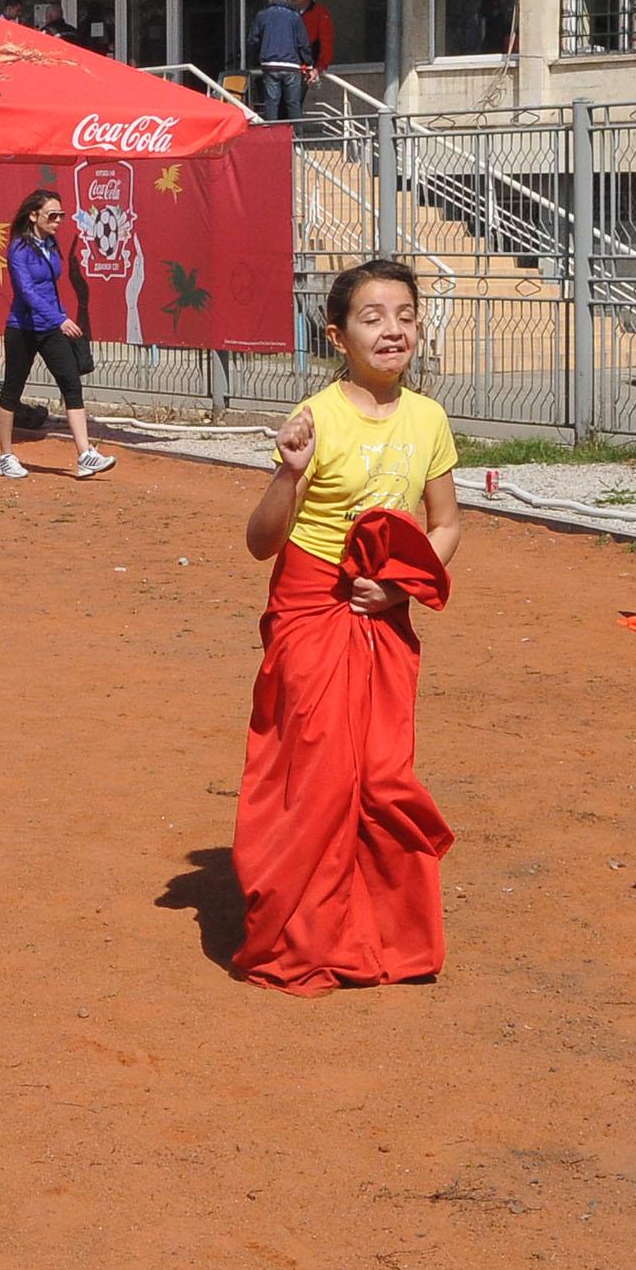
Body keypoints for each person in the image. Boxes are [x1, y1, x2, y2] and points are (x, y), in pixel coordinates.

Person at [233, 258, 462, 994]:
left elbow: (446, 524)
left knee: (382, 773)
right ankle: (302, 936)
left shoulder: (429, 419)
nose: (392, 329)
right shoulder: (316, 417)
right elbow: (261, 542)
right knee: (321, 774)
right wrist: (287, 472)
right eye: (372, 317)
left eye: (405, 315)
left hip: (384, 614)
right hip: (311, 609)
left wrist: (400, 586)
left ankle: (385, 934)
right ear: (338, 336)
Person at [0, 188, 112, 481]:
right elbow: (26, 291)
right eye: (52, 215)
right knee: (12, 389)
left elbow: (50, 287)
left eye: (61, 216)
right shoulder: (18, 248)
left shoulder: (50, 244)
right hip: (22, 328)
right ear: (34, 216)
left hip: (51, 327)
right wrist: (61, 319)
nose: (58, 221)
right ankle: (5, 457)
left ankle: (85, 455)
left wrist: (58, 318)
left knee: (71, 383)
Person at [248, 0, 314, 123]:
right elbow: (303, 42)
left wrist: (258, 57)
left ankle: (272, 134)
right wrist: (309, 64)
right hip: (291, 65)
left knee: (271, 103)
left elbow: (252, 41)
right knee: (293, 104)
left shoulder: (262, 16)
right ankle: (296, 134)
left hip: (270, 65)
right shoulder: (294, 16)